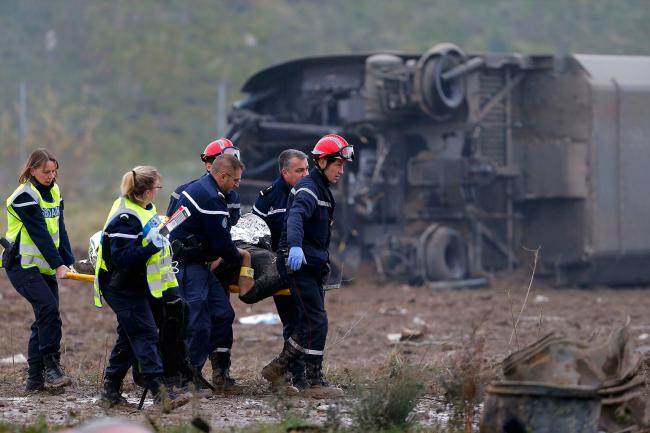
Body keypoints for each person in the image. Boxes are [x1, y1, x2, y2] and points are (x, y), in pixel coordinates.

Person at [262, 134, 353, 398]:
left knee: (307, 322)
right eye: (338, 164)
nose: (341, 170)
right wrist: (296, 246)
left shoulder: (321, 188)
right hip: (298, 264)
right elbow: (296, 217)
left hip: (313, 264)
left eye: (343, 165)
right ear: (322, 162)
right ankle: (313, 382)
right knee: (317, 321)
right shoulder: (309, 189)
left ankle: (279, 368)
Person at [93, 166, 187, 409]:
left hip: (138, 282)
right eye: (157, 187)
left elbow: (145, 235)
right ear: (146, 191)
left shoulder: (144, 209)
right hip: (121, 284)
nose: (158, 192)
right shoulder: (125, 218)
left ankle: (110, 390)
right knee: (145, 333)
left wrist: (161, 233)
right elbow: (121, 258)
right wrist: (151, 247)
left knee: (129, 334)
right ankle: (160, 393)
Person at [169, 154, 250, 390]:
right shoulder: (210, 197)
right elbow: (222, 244)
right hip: (186, 265)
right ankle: (186, 377)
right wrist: (244, 257)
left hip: (200, 264)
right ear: (222, 176)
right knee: (197, 321)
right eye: (235, 180)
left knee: (223, 313)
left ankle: (207, 371)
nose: (237, 185)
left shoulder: (198, 189)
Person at [2, 149, 74, 392]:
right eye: (46, 172)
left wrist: (68, 260)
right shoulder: (24, 196)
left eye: (54, 171)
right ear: (32, 170)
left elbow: (59, 229)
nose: (51, 176)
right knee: (49, 310)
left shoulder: (54, 190)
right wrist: (58, 264)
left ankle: (34, 380)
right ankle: (52, 368)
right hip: (22, 265)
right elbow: (39, 233)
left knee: (44, 318)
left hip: (42, 266)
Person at [252, 149, 309, 389]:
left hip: (307, 267)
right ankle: (295, 376)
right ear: (284, 172)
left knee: (309, 321)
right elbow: (255, 235)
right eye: (299, 170)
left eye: (307, 169)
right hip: (281, 270)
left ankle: (296, 372)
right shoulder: (268, 198)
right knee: (292, 321)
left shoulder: (311, 192)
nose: (305, 174)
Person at [166, 138, 241, 228]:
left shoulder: (233, 197)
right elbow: (169, 229)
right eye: (227, 165)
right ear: (209, 167)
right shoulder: (182, 193)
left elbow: (233, 230)